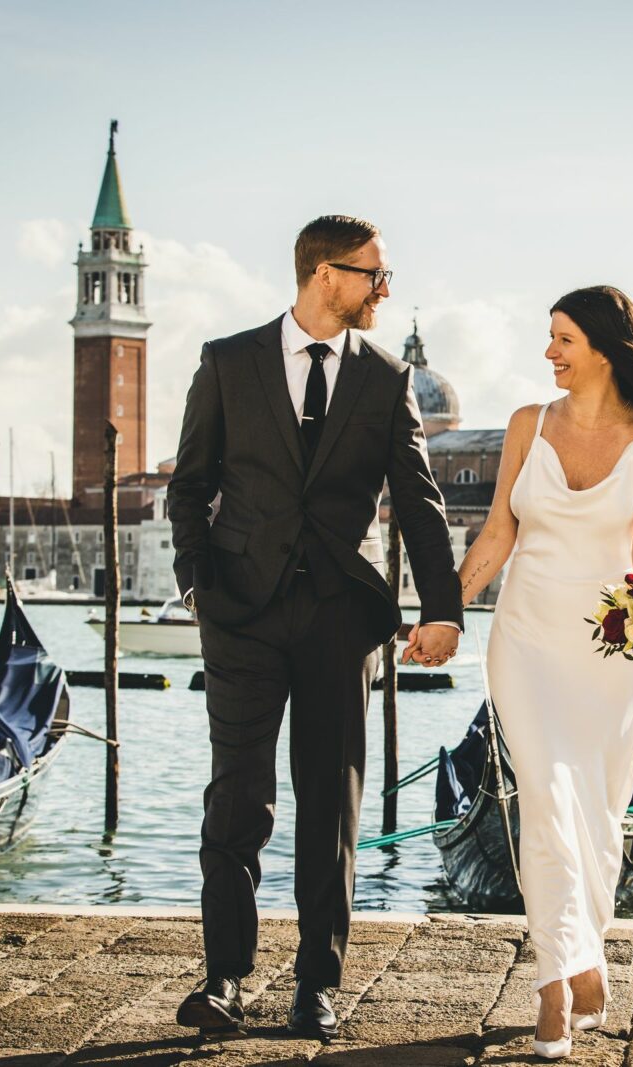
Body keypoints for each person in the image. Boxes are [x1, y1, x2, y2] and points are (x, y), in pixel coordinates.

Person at [166, 215, 463, 1039]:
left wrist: (441, 608)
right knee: (238, 797)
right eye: (374, 274)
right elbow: (188, 485)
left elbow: (419, 502)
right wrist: (197, 583)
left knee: (330, 801)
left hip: (342, 615)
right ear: (325, 275)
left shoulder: (387, 377)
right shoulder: (228, 362)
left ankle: (316, 985)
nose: (385, 288)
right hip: (241, 613)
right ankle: (224, 976)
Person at [453, 285, 633, 1059]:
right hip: (526, 636)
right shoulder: (526, 425)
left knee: (600, 812)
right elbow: (499, 529)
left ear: (604, 346)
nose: (549, 353)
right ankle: (551, 985)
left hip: (607, 646)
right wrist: (446, 610)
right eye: (549, 339)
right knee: (543, 796)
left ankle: (587, 953)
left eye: (563, 338)